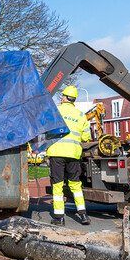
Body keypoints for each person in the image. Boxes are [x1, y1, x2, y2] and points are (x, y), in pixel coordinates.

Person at [46, 85, 92, 226]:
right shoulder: (80, 115)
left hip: (57, 153)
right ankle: (83, 215)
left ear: (64, 97)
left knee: (58, 185)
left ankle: (59, 217)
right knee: (75, 184)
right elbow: (86, 137)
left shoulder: (56, 111)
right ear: (74, 99)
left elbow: (46, 129)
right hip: (73, 154)